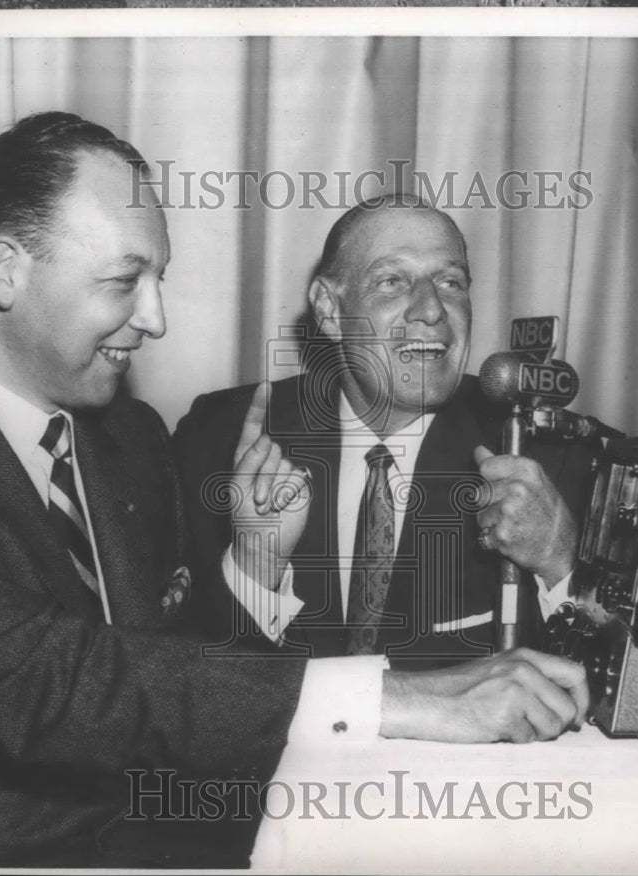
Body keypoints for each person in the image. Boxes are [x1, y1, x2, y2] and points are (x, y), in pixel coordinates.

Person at [0, 114, 588, 870]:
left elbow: (184, 674)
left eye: (159, 280)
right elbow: (56, 687)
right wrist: (408, 697)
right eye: (123, 280)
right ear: (7, 271)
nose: (157, 318)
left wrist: (256, 565)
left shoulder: (130, 439)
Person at [173, 195, 597, 667]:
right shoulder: (220, 438)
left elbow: (617, 684)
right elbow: (178, 679)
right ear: (330, 310)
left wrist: (561, 564)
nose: (432, 310)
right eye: (392, 281)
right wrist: (256, 568)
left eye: (450, 282)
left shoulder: (545, 458)